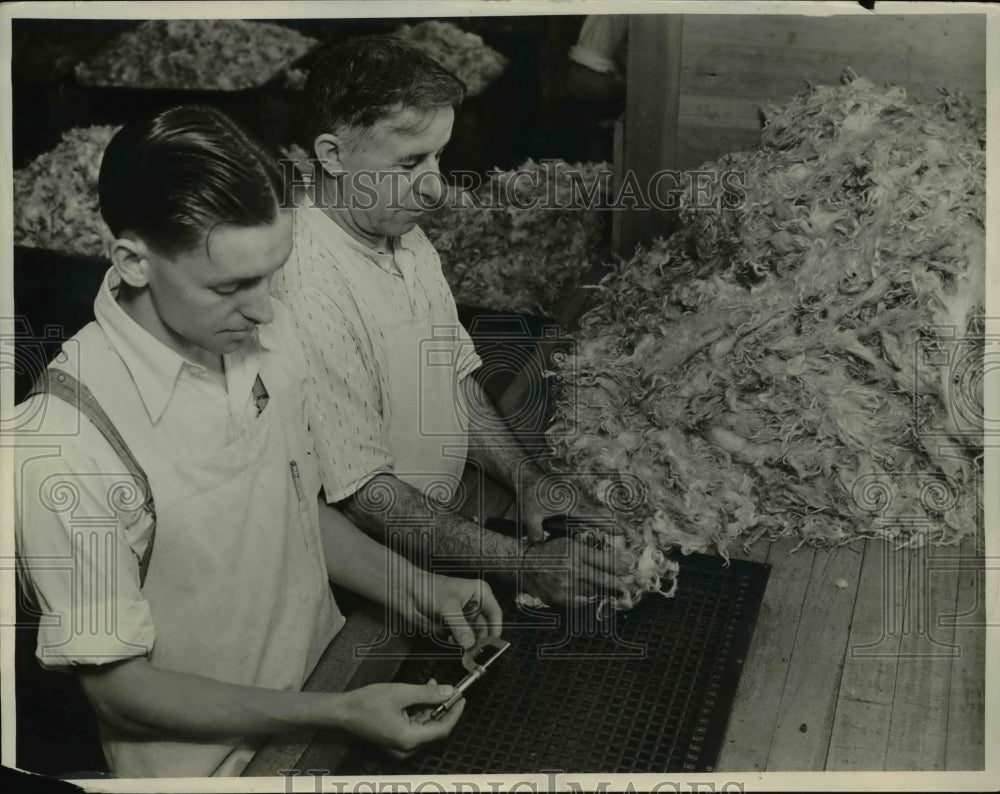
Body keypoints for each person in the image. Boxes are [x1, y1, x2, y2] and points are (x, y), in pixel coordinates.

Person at [11, 105, 501, 779]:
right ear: (132, 262)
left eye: (273, 272)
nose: (266, 306)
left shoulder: (263, 335)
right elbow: (121, 692)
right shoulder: (62, 444)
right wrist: (337, 714)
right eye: (231, 285)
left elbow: (291, 505)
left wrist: (418, 588)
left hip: (332, 687)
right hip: (219, 770)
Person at [273, 36, 628, 608]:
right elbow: (365, 496)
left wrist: (527, 479)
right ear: (333, 155)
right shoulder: (305, 282)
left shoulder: (402, 233)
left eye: (438, 156)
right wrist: (522, 564)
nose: (435, 186)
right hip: (374, 579)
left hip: (445, 528)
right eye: (410, 162)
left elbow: (454, 376)